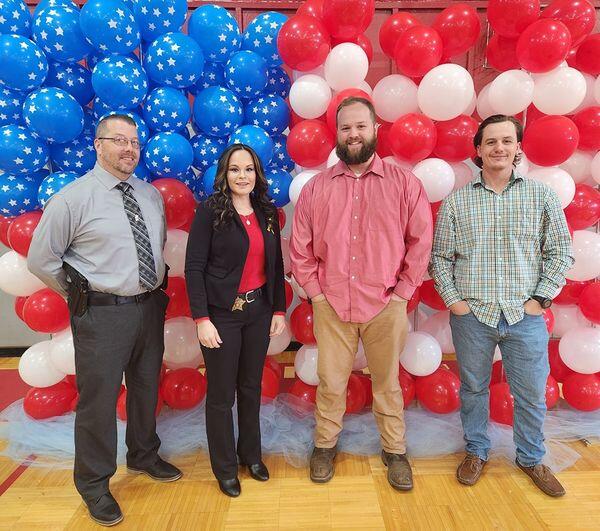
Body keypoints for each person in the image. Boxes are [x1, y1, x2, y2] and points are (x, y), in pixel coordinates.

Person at [28, 114, 181, 526]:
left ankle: (144, 455)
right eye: (119, 140)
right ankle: (94, 485)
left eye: (134, 142)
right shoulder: (72, 199)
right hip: (101, 315)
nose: (129, 149)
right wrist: (81, 295)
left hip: (150, 306)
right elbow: (42, 259)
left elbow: (159, 245)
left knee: (147, 387)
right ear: (98, 145)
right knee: (97, 402)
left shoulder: (148, 195)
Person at [290, 97, 433, 491]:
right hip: (331, 305)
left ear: (375, 130)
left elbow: (421, 242)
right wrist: (317, 296)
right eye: (346, 128)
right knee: (331, 382)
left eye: (360, 127)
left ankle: (395, 451)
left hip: (386, 304)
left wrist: (403, 295)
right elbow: (300, 249)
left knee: (387, 382)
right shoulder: (317, 188)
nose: (353, 134)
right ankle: (324, 446)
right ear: (337, 134)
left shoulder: (405, 184)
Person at [429, 114, 574, 497]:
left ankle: (531, 458)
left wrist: (540, 298)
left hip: (524, 316)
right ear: (478, 150)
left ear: (518, 147)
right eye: (490, 142)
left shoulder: (540, 196)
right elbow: (440, 258)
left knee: (529, 392)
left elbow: (561, 252)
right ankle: (476, 451)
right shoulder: (457, 202)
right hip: (472, 316)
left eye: (506, 141)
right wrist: (455, 302)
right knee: (473, 388)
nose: (499, 148)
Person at [185, 144, 286, 497]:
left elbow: (275, 265)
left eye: (248, 169)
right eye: (234, 169)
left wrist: (277, 309)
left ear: (257, 174)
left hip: (258, 313)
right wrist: (201, 318)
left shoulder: (267, 211)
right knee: (221, 396)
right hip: (221, 316)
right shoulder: (210, 210)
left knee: (251, 388)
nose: (242, 176)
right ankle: (225, 468)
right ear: (223, 174)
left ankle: (251, 456)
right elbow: (194, 267)